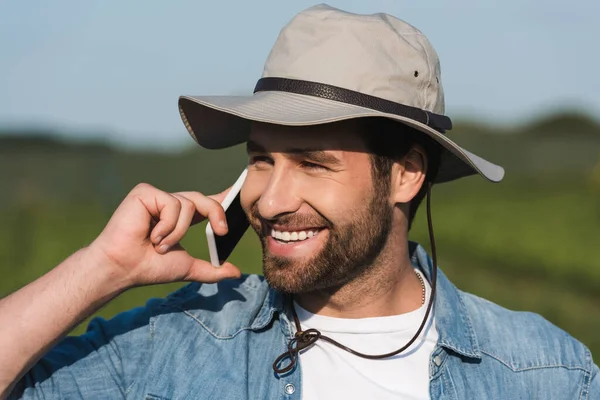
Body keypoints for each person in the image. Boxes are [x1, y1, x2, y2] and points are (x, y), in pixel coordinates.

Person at [1, 4, 597, 399]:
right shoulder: (176, 346)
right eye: (261, 158)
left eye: (313, 163)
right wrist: (99, 270)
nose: (272, 198)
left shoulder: (546, 374)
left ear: (406, 175)